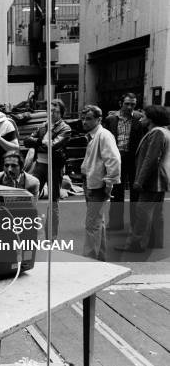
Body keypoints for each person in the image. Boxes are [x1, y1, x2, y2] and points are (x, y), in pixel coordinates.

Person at [115, 105, 170, 253]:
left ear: (152, 119)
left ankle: (136, 244)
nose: (141, 119)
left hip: (152, 180)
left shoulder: (156, 132)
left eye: (144, 116)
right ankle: (156, 241)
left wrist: (139, 180)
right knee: (157, 212)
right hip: (161, 179)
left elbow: (150, 159)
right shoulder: (165, 131)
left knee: (142, 212)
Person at [23, 99, 72, 238]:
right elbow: (27, 141)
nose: (51, 113)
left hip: (54, 167)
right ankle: (29, 233)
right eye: (49, 110)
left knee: (53, 201)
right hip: (39, 165)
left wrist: (39, 143)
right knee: (31, 197)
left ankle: (51, 237)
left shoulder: (65, 128)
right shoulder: (43, 126)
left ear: (61, 113)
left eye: (55, 111)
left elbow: (53, 146)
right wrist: (40, 141)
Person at [80, 105, 121, 261]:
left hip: (97, 185)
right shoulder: (94, 135)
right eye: (83, 118)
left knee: (92, 224)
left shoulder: (103, 135)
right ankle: (100, 258)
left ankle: (89, 260)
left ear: (99, 119)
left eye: (88, 119)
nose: (84, 122)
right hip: (92, 183)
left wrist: (109, 183)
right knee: (98, 223)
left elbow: (114, 160)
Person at [103, 93, 144, 230]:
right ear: (121, 103)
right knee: (117, 192)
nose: (130, 107)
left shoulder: (139, 118)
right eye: (127, 103)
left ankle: (135, 224)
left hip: (133, 159)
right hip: (117, 158)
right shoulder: (110, 119)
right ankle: (115, 223)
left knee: (135, 192)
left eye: (133, 104)